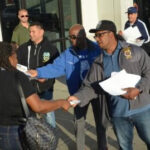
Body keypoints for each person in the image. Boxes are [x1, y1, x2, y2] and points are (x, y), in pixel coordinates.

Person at [68, 20, 150, 150]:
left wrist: (138, 89)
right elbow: (90, 87)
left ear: (111, 34)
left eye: (100, 35)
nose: (97, 39)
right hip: (118, 114)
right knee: (125, 147)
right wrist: (77, 97)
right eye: (96, 36)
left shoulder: (134, 51)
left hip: (143, 110)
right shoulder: (98, 62)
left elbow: (148, 72)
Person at [28, 24, 108, 150]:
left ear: (83, 36)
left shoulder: (97, 50)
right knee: (79, 122)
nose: (71, 40)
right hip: (78, 93)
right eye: (69, 37)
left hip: (97, 91)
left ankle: (102, 147)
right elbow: (55, 67)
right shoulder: (68, 54)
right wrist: (38, 72)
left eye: (74, 37)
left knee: (101, 123)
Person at [0, 42, 71, 150]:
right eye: (15, 56)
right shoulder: (17, 76)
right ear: (9, 58)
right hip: (19, 133)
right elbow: (38, 107)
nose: (17, 60)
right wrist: (61, 103)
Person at [17, 22, 59, 128]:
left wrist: (47, 79)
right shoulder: (23, 48)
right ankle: (34, 141)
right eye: (30, 31)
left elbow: (56, 68)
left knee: (49, 117)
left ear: (41, 32)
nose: (30, 34)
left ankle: (51, 140)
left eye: (33, 31)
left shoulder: (51, 49)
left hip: (45, 89)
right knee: (30, 119)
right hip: (28, 90)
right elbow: (17, 65)